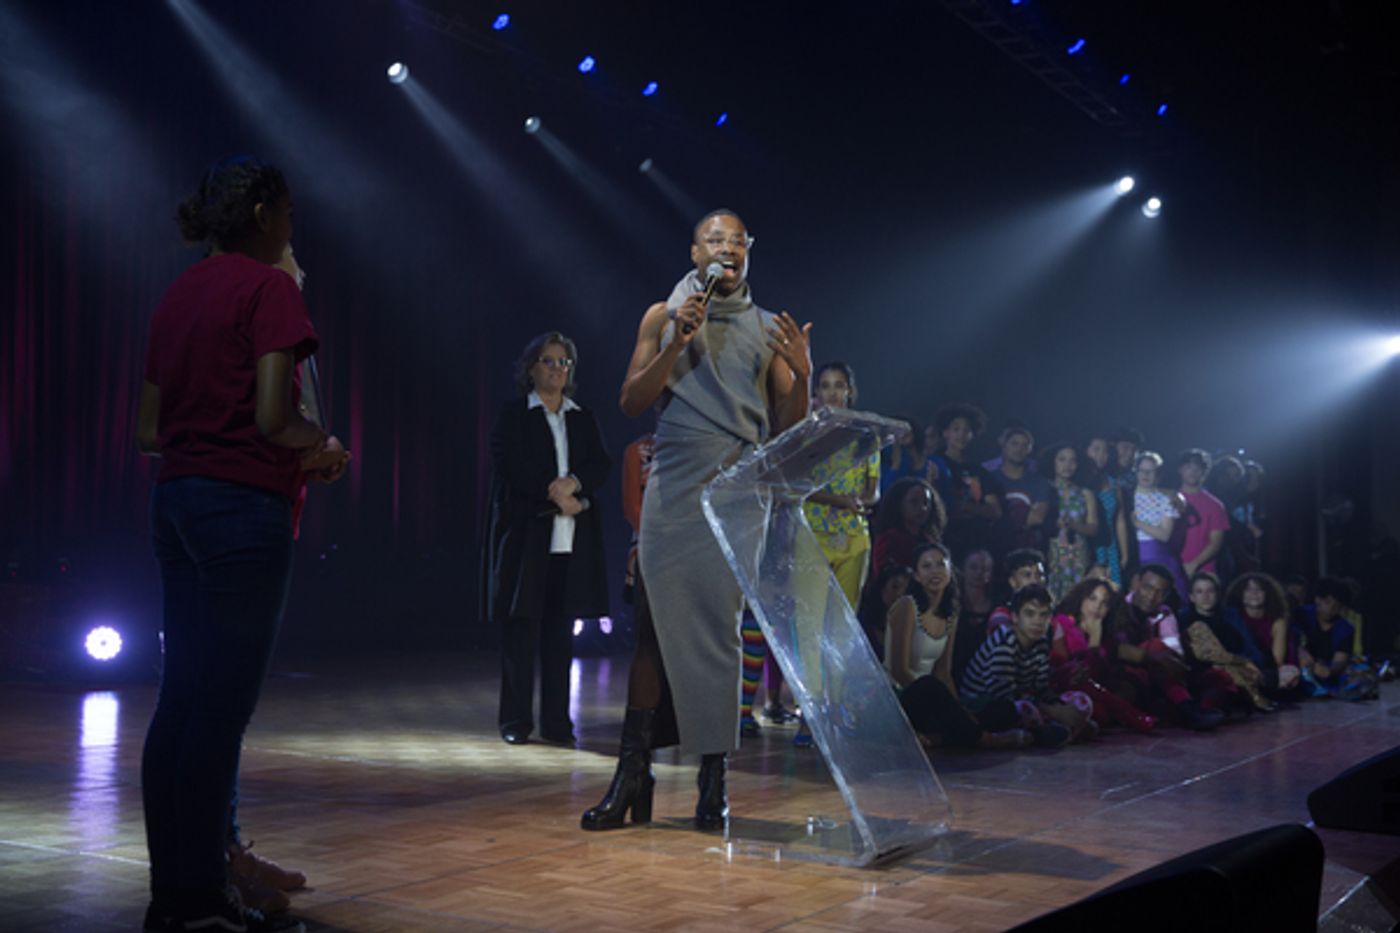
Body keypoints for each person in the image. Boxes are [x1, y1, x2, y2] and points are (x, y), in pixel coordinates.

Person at [136, 155, 349, 933]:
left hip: (177, 502)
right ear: (263, 214)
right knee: (221, 711)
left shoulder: (177, 294)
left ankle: (175, 895)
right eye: (289, 215)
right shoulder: (271, 289)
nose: (293, 228)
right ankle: (203, 900)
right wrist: (319, 445)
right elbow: (271, 417)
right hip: (241, 511)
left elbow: (148, 431)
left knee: (180, 703)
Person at [582, 208, 812, 832]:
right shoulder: (664, 315)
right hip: (676, 484)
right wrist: (677, 343)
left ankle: (714, 780)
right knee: (653, 631)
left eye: (739, 241)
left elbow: (788, 432)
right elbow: (632, 401)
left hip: (737, 489)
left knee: (718, 634)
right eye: (717, 240)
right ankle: (633, 776)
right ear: (695, 253)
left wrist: (804, 374)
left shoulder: (768, 329)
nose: (728, 249)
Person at [482, 331, 612, 747]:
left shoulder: (582, 415)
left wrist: (575, 483)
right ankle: (515, 723)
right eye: (549, 360)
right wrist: (553, 492)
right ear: (531, 367)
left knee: (560, 639)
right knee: (520, 635)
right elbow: (509, 464)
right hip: (527, 541)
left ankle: (558, 724)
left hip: (570, 544)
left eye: (564, 362)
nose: (557, 369)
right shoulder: (514, 414)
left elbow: (600, 464)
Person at [885, 544, 1029, 749]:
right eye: (926, 566)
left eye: (940, 564)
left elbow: (943, 671)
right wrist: (944, 704)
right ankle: (984, 739)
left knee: (1002, 708)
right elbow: (898, 670)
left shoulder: (951, 612)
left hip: (934, 697)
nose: (935, 571)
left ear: (950, 570)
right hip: (902, 697)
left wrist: (959, 709)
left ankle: (938, 738)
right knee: (929, 685)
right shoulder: (907, 605)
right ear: (916, 576)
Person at [960, 585, 1092, 747]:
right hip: (984, 706)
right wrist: (1054, 712)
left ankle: (1067, 727)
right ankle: (1044, 733)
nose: (1037, 621)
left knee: (1081, 700)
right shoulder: (1005, 642)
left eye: (1043, 615)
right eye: (1030, 614)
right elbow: (1004, 694)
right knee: (1020, 708)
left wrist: (1062, 708)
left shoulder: (1042, 643)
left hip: (1021, 700)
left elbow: (1041, 688)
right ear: (1015, 617)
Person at [1049, 578, 1156, 732]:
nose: (1097, 606)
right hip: (1063, 685)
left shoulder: (1107, 638)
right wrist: (1093, 642)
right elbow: (1066, 668)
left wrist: (1097, 637)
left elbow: (1098, 675)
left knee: (1101, 712)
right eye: (1092, 598)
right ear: (1081, 599)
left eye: (1104, 602)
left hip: (1092, 690)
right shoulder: (1063, 623)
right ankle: (1135, 717)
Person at [1176, 572, 1271, 713]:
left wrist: (1252, 665)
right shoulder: (1184, 619)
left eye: (1210, 591)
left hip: (1241, 668)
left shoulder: (1231, 616)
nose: (1205, 596)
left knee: (1274, 677)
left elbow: (1250, 647)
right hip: (1204, 672)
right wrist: (1240, 663)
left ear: (1217, 594)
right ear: (1192, 597)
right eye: (1199, 591)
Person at [928, 402, 1002, 559]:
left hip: (975, 542)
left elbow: (995, 511)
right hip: (943, 540)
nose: (961, 434)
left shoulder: (979, 472)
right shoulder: (934, 464)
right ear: (945, 432)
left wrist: (964, 506)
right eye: (956, 429)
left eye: (966, 430)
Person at [1224, 571, 1303, 700]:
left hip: (1268, 669)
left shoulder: (1277, 622)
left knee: (1288, 674)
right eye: (1248, 589)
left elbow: (1277, 661)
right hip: (1241, 666)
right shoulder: (1233, 617)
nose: (1254, 593)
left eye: (1259, 590)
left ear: (1267, 594)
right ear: (1241, 595)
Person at [1128, 451, 1188, 602]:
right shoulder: (1126, 495)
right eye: (1142, 470)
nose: (1146, 474)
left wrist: (1138, 523)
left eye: (1151, 471)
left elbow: (1165, 535)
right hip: (1134, 557)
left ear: (1158, 473)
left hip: (1160, 556)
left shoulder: (1165, 499)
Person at [1042, 442, 1098, 602]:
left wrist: (1074, 526)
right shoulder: (1044, 489)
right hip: (1052, 553)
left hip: (1078, 556)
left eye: (1072, 460)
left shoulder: (1085, 493)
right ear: (1053, 462)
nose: (1068, 465)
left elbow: (1093, 528)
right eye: (1062, 459)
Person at [991, 425, 1052, 556]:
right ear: (1004, 445)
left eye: (1025, 445)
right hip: (994, 548)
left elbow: (1037, 518)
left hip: (1029, 551)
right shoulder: (990, 478)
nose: (1019, 449)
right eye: (1014, 443)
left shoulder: (1040, 482)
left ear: (1030, 450)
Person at [870, 477, 946, 576]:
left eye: (926, 502)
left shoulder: (930, 541)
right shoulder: (889, 540)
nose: (923, 508)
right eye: (914, 502)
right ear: (899, 504)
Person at [1176, 449, 1230, 581]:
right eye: (1188, 466)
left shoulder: (1215, 505)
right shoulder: (1168, 499)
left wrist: (1193, 565)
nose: (1193, 471)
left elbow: (1215, 543)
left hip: (1204, 572)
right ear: (1180, 469)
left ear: (1205, 472)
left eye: (1198, 468)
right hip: (1172, 568)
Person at [1082, 435, 1129, 586]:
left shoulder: (1114, 484)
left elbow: (1119, 520)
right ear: (1085, 451)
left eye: (1105, 451)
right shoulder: (1077, 482)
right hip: (1085, 546)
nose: (1101, 455)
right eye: (1096, 449)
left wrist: (1125, 554)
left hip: (1109, 547)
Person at [952, 549, 995, 686]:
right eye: (973, 567)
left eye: (985, 569)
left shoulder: (996, 609)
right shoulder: (951, 606)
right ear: (963, 569)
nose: (979, 573)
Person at [856, 562, 913, 661]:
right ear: (882, 589)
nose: (900, 594)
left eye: (907, 591)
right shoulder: (861, 624)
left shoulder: (916, 629)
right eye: (895, 586)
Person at [986, 548, 1047, 631]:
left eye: (1039, 575)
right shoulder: (1001, 616)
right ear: (1013, 581)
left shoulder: (1050, 616)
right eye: (1027, 575)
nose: (1035, 580)